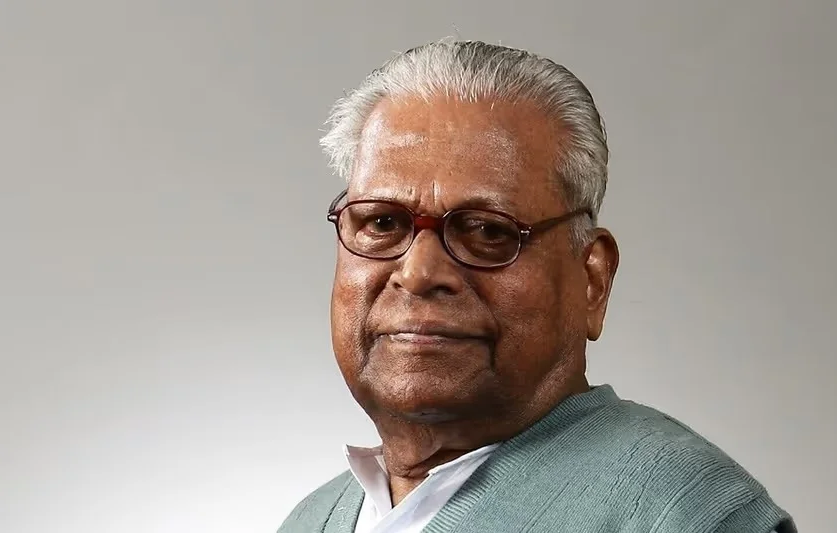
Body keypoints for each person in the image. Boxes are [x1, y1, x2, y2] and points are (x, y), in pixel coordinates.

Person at [278, 39, 796, 533]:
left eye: (488, 231)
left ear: (592, 280)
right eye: (382, 223)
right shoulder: (310, 520)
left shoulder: (683, 514)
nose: (417, 273)